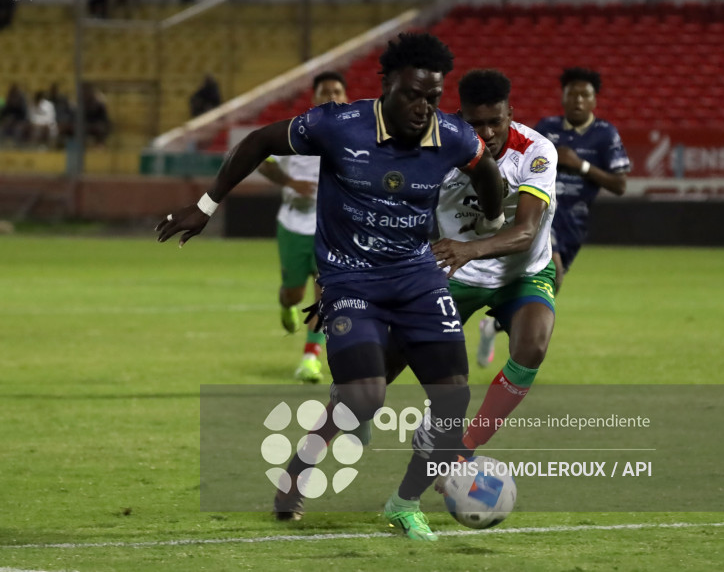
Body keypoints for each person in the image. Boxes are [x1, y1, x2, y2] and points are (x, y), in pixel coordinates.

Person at [156, 33, 505, 542]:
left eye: (433, 98)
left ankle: (404, 502)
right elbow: (258, 142)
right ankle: (297, 474)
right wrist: (206, 207)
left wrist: (492, 217)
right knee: (365, 397)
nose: (424, 108)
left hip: (416, 278)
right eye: (413, 95)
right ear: (386, 85)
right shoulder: (338, 125)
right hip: (350, 279)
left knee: (452, 400)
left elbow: (486, 170)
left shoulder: (450, 135)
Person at [273, 68, 558, 518]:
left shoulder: (537, 150)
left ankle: (450, 459)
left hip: (520, 273)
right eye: (477, 123)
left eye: (496, 123)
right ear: (460, 116)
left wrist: (470, 248)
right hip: (447, 269)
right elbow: (402, 219)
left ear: (510, 116)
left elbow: (524, 231)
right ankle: (296, 472)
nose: (488, 133)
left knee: (533, 346)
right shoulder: (439, 148)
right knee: (366, 386)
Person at [476, 67, 630, 367]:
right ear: (562, 97)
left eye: (584, 95)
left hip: (575, 221)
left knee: (552, 281)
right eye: (571, 94)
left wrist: (581, 165)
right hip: (543, 211)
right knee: (554, 272)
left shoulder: (605, 134)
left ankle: (493, 326)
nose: (577, 100)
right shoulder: (546, 128)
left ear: (594, 101)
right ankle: (517, 338)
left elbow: (620, 184)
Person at [257, 71, 349, 383]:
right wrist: (290, 181)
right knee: (295, 294)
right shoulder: (295, 131)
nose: (331, 97)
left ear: (346, 96)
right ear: (314, 97)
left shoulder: (356, 134)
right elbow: (262, 161)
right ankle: (286, 305)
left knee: (325, 294)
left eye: (337, 91)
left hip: (332, 229)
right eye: (325, 91)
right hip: (294, 225)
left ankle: (311, 358)